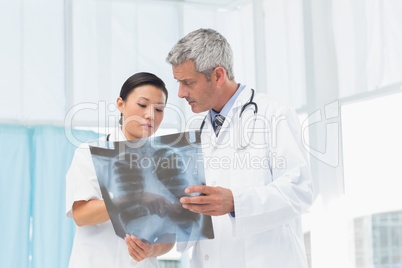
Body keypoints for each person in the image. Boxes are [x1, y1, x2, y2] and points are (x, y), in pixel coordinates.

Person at [166, 28, 314, 268]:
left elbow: (300, 192)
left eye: (188, 82)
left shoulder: (273, 114)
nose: (181, 93)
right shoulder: (197, 131)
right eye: (178, 82)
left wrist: (235, 202)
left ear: (218, 75)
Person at [65, 72, 174, 268]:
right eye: (142, 105)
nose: (151, 115)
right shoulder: (89, 153)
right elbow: (81, 215)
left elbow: (170, 234)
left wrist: (152, 250)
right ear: (120, 104)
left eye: (159, 109)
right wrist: (135, 198)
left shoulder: (166, 163)